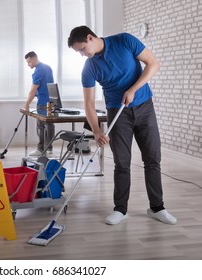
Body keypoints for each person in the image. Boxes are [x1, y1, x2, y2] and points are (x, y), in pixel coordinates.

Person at [67, 26, 177, 225]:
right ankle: (120, 209)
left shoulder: (124, 40)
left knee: (153, 158)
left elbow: (153, 64)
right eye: (79, 52)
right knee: (122, 163)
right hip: (117, 113)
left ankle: (157, 207)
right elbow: (89, 104)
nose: (82, 55)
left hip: (145, 107)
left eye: (82, 49)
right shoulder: (90, 67)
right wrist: (97, 130)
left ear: (90, 38)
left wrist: (133, 89)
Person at [23, 51, 55, 157]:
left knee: (41, 126)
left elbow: (32, 91)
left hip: (43, 103)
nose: (28, 65)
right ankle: (49, 149)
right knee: (49, 125)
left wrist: (26, 105)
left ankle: (41, 149)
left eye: (29, 62)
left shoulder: (38, 71)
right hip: (52, 102)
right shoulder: (48, 67)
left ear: (34, 59)